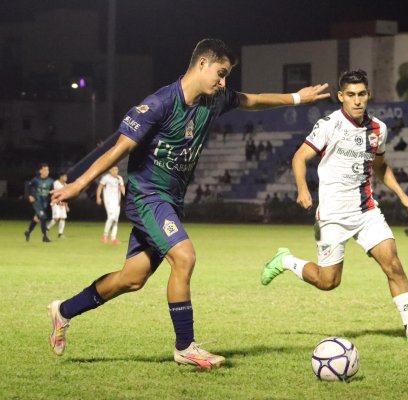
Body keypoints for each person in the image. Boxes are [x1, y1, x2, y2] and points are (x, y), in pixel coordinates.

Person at [48, 38, 330, 367]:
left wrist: (298, 97)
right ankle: (186, 346)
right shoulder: (159, 104)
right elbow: (119, 149)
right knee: (185, 258)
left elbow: (251, 100)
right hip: (147, 196)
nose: (224, 83)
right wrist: (79, 183)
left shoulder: (214, 100)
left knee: (132, 278)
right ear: (201, 64)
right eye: (221, 73)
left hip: (171, 200)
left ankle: (63, 311)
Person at [260, 69, 408, 344]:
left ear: (368, 95)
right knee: (328, 282)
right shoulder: (328, 125)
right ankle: (285, 260)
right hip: (331, 217)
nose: (357, 101)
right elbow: (299, 158)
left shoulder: (378, 129)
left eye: (361, 94)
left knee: (393, 264)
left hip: (366, 211)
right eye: (351, 95)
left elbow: (381, 168)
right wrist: (302, 188)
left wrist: (403, 196)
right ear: (341, 97)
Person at [24, 163, 54, 243]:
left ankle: (28, 232)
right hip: (37, 202)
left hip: (44, 203)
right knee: (43, 217)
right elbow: (28, 186)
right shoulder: (36, 180)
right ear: (40, 171)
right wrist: (30, 195)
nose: (47, 171)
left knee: (36, 219)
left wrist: (53, 198)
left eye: (48, 170)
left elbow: (53, 192)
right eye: (45, 170)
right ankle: (44, 237)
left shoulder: (51, 181)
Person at [96, 166, 125, 244]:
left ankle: (113, 238)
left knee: (116, 220)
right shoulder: (106, 178)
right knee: (111, 217)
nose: (116, 171)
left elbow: (122, 188)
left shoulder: (119, 178)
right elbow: (100, 187)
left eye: (117, 169)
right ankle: (105, 235)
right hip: (108, 201)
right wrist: (98, 197)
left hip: (117, 202)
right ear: (110, 171)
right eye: (114, 170)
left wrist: (126, 196)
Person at [47, 173, 69, 238]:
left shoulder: (66, 185)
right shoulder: (56, 183)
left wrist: (66, 206)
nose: (66, 178)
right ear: (61, 177)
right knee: (56, 218)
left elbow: (66, 196)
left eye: (66, 176)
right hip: (56, 203)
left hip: (62, 204)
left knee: (63, 218)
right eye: (65, 176)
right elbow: (57, 194)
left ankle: (60, 234)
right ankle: (46, 229)